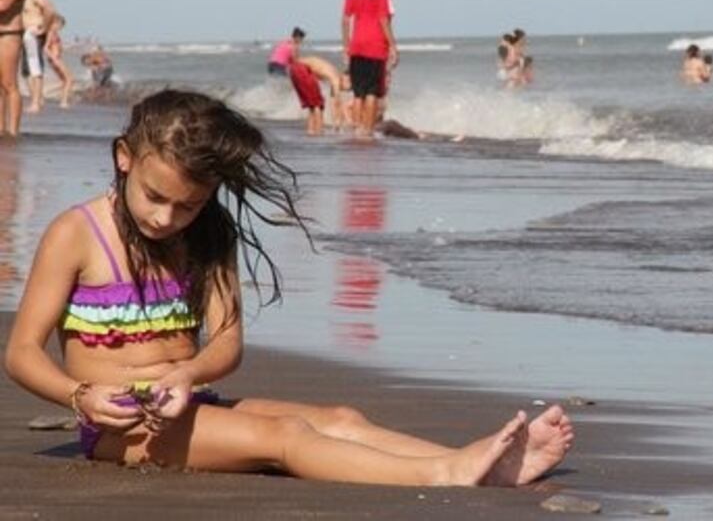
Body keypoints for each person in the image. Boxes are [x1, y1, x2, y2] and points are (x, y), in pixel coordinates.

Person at [4, 89, 572, 485]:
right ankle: (444, 473)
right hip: (119, 427)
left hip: (187, 399)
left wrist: (186, 373)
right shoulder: (76, 233)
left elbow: (226, 344)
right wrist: (81, 398)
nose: (166, 217)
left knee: (343, 417)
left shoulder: (208, 232)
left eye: (190, 204)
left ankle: (479, 463)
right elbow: (21, 352)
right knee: (284, 437)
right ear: (124, 159)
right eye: (155, 197)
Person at [342, 0, 398, 137]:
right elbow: (383, 19)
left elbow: (345, 19)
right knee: (373, 92)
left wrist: (346, 46)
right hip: (375, 47)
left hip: (356, 46)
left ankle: (356, 129)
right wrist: (393, 45)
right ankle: (368, 131)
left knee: (358, 94)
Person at [20, 0, 56, 114]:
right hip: (24, 33)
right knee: (26, 70)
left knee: (34, 68)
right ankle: (36, 99)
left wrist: (43, 27)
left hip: (33, 32)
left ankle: (36, 102)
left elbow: (49, 9)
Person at [0, 0, 28, 137]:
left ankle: (14, 130)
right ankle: (0, 129)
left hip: (9, 33)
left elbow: (4, 5)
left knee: (10, 84)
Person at [44, 13, 75, 108]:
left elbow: (56, 46)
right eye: (59, 25)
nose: (60, 27)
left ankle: (63, 99)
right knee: (70, 79)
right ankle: (64, 102)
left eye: (62, 26)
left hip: (56, 58)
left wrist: (68, 47)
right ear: (54, 23)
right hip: (55, 59)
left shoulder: (54, 33)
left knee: (65, 80)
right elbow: (45, 48)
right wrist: (53, 57)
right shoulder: (50, 33)